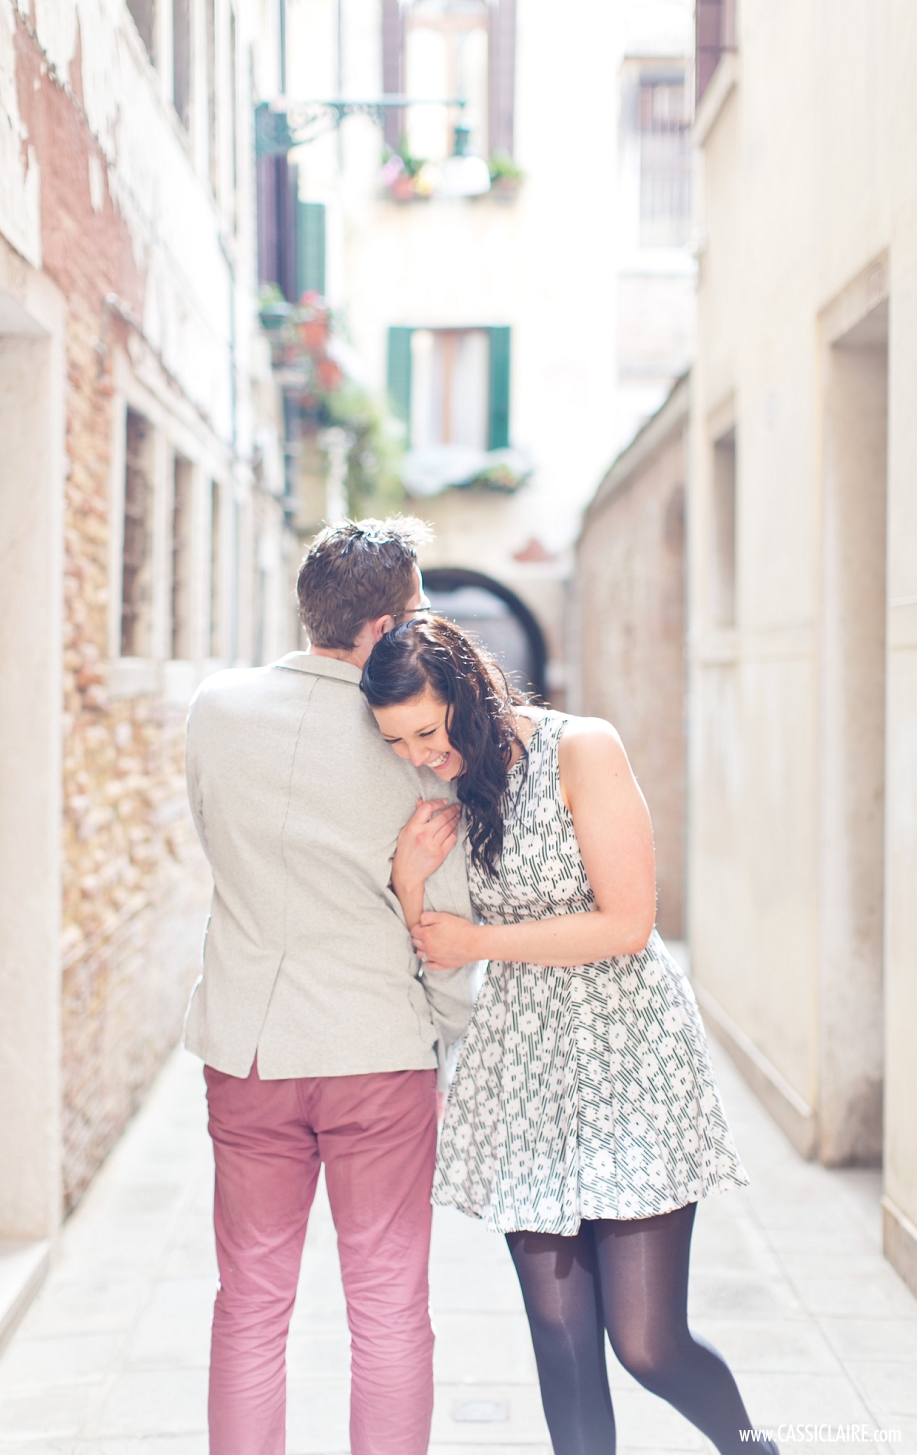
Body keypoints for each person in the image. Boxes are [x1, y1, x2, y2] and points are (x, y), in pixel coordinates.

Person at [360, 615, 779, 1455]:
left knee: (648, 1344)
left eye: (426, 731)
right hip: (526, 1075)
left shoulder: (583, 748)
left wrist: (479, 940)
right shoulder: (451, 792)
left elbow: (627, 922)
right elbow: (437, 953)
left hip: (630, 1058)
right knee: (562, 1346)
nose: (416, 754)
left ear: (469, 692)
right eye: (396, 741)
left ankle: (752, 1449)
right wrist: (409, 884)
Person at [183, 520, 477, 1455]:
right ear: (386, 621)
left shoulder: (216, 708)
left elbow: (214, 844)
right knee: (389, 1304)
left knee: (250, 1303)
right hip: (376, 1052)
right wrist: (441, 1033)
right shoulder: (414, 739)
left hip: (249, 1047)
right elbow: (447, 933)